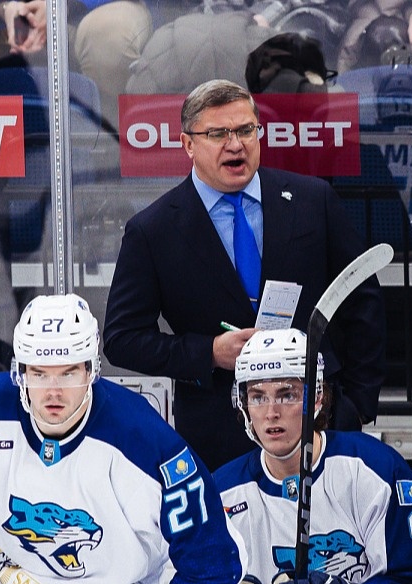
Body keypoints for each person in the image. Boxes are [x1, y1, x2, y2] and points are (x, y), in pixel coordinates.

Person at [0, 294, 242, 584]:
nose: (53, 391)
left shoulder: (143, 440)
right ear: (19, 372)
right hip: (12, 581)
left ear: (92, 370)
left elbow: (215, 558)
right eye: (39, 373)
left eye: (68, 372)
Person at [103, 78, 385, 471]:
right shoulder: (153, 230)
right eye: (218, 134)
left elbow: (363, 301)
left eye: (246, 130)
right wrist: (209, 353)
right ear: (187, 144)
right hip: (219, 436)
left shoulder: (312, 200)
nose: (235, 144)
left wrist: (358, 406)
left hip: (320, 424)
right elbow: (122, 339)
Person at [210, 328, 412, 584]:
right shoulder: (222, 491)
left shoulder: (374, 468)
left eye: (287, 395)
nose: (271, 412)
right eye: (258, 397)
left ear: (317, 397)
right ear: (243, 404)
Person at [0, 0, 153, 128]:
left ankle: (114, 144)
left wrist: (63, 6)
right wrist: (7, 7)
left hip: (106, 7)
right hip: (32, 14)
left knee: (104, 36)